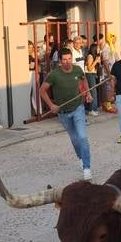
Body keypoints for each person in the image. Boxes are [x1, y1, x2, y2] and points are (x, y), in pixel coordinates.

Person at [40, 48, 93, 180]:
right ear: (60, 61)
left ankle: (87, 168)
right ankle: (80, 158)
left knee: (82, 137)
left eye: (69, 59)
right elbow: (42, 90)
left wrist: (88, 93)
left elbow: (84, 80)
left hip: (78, 108)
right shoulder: (54, 74)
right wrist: (51, 105)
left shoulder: (77, 70)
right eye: (64, 60)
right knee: (75, 139)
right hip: (63, 113)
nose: (67, 62)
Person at [100, 33, 118, 113]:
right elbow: (105, 61)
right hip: (107, 73)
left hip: (113, 72)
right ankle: (107, 106)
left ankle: (107, 104)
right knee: (108, 89)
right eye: (114, 39)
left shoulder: (112, 47)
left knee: (111, 88)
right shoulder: (106, 48)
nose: (115, 40)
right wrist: (109, 73)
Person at [84, 34, 100, 117]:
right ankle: (91, 109)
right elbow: (90, 68)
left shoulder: (94, 56)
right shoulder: (90, 56)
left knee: (94, 92)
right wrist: (96, 61)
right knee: (92, 92)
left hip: (93, 74)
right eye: (97, 48)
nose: (99, 50)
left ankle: (93, 108)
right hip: (89, 74)